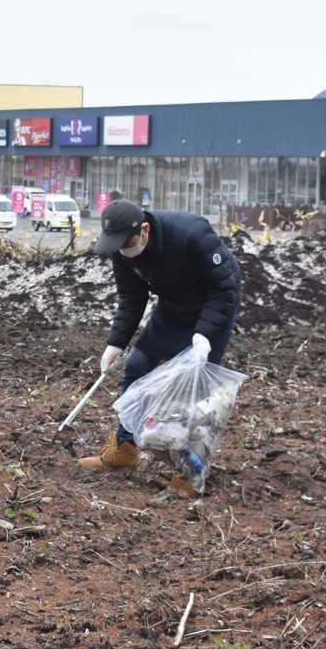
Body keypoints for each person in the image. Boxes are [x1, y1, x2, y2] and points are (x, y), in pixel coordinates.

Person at [80, 199, 242, 484]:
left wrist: (204, 334)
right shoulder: (122, 247)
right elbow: (132, 297)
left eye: (127, 242)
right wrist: (115, 344)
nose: (123, 249)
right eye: (117, 244)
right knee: (136, 364)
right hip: (173, 304)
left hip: (213, 304)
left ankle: (191, 472)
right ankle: (125, 449)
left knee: (199, 389)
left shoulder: (191, 234)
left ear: (145, 229)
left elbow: (224, 287)